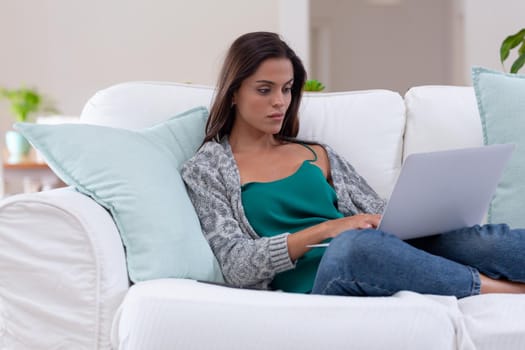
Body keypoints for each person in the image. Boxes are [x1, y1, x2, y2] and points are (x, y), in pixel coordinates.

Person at [181, 31, 525, 297]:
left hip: (374, 252)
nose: (279, 102)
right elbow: (235, 264)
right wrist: (328, 230)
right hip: (326, 277)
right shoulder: (206, 169)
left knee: (474, 239)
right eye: (264, 90)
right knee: (353, 247)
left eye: (286, 89)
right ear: (233, 93)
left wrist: (423, 215)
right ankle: (499, 290)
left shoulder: (317, 153)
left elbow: (380, 217)